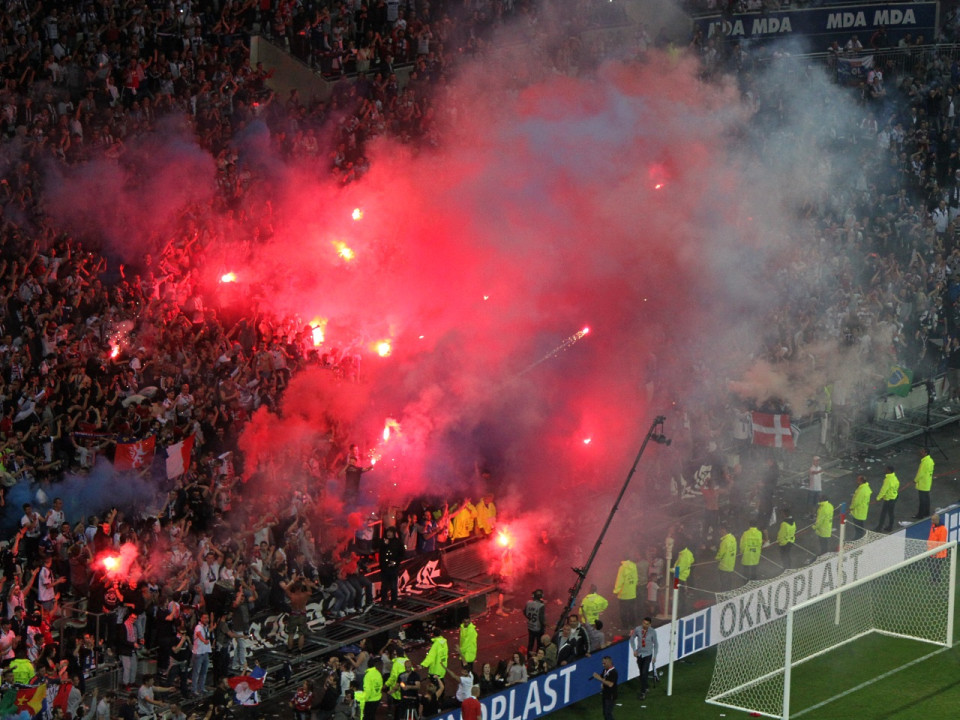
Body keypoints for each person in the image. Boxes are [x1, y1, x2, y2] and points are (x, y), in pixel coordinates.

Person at [281, 573, 318, 652]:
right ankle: (300, 650)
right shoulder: (305, 595)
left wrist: (293, 581)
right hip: (302, 614)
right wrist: (306, 582)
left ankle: (289, 649)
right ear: (301, 587)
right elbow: (310, 591)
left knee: (291, 634)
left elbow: (286, 589)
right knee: (301, 634)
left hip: (294, 614)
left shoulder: (292, 596)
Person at [629, 617, 657, 701]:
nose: (645, 625)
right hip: (640, 654)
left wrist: (654, 656)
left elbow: (656, 644)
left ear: (650, 624)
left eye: (647, 624)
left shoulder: (652, 632)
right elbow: (632, 639)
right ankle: (646, 686)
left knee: (644, 672)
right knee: (641, 673)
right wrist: (634, 650)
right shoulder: (637, 629)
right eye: (644, 623)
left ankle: (643, 692)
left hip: (647, 655)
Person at [377, 527, 405, 605]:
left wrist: (395, 562)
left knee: (393, 585)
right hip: (385, 567)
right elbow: (380, 552)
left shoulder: (398, 542)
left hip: (393, 568)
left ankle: (393, 601)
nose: (388, 534)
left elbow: (402, 554)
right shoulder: (383, 542)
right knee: (384, 586)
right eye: (387, 532)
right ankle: (383, 601)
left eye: (390, 532)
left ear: (393, 533)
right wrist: (385, 545)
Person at [613, 556, 638, 629]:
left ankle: (625, 625)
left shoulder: (622, 568)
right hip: (632, 593)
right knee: (631, 609)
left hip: (623, 594)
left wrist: (616, 591)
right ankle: (633, 623)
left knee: (623, 611)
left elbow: (619, 580)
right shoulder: (634, 566)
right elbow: (636, 578)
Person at [190, 613, 212, 697]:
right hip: (198, 653)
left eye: (208, 618)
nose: (207, 619)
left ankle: (201, 688)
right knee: (196, 672)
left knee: (204, 672)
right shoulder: (198, 627)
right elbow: (199, 634)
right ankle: (194, 689)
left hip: (205, 652)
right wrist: (204, 641)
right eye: (205, 618)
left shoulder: (205, 628)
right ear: (201, 619)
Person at [592, 656, 618, 720]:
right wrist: (598, 676)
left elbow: (610, 684)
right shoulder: (605, 670)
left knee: (608, 713)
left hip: (611, 695)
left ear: (609, 662)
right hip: (605, 694)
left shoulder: (613, 672)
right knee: (605, 713)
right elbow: (603, 677)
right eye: (602, 663)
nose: (603, 665)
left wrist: (600, 678)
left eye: (604, 663)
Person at [875, 465, 899, 532]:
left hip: (888, 499)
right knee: (891, 513)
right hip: (894, 497)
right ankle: (890, 526)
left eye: (886, 469)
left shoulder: (887, 480)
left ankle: (879, 527)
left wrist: (878, 498)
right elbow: (897, 485)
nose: (885, 470)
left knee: (883, 513)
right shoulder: (894, 477)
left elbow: (883, 490)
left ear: (889, 471)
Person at [913, 448, 935, 519]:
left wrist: (915, 480)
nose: (920, 452)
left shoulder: (924, 462)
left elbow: (920, 473)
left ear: (926, 453)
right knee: (926, 499)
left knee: (922, 500)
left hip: (922, 483)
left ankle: (920, 515)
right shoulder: (930, 461)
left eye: (922, 451)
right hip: (927, 482)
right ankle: (926, 512)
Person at [715, 523, 737, 591]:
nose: (719, 532)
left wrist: (716, 558)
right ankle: (728, 594)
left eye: (720, 530)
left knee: (724, 583)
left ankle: (724, 596)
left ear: (724, 530)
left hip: (724, 566)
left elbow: (720, 554)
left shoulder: (724, 541)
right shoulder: (733, 538)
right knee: (729, 582)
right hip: (731, 564)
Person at [523, 589, 546, 654]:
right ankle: (537, 658)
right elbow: (541, 618)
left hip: (530, 626)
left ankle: (529, 657)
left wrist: (529, 618)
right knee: (539, 644)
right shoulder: (541, 606)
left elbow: (525, 612)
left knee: (530, 643)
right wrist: (543, 626)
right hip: (538, 628)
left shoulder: (528, 602)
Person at [928, 513, 948, 582]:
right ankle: (933, 578)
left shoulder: (943, 529)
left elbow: (941, 542)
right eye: (931, 520)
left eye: (933, 520)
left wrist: (936, 551)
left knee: (936, 567)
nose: (932, 522)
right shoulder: (933, 526)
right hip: (931, 550)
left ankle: (936, 580)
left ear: (937, 520)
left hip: (939, 553)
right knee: (931, 566)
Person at [850, 475, 872, 541]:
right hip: (862, 510)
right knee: (860, 525)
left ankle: (857, 539)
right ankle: (859, 537)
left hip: (858, 511)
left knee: (858, 526)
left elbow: (856, 501)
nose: (857, 480)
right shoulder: (866, 488)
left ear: (861, 481)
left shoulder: (861, 490)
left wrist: (851, 507)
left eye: (858, 479)